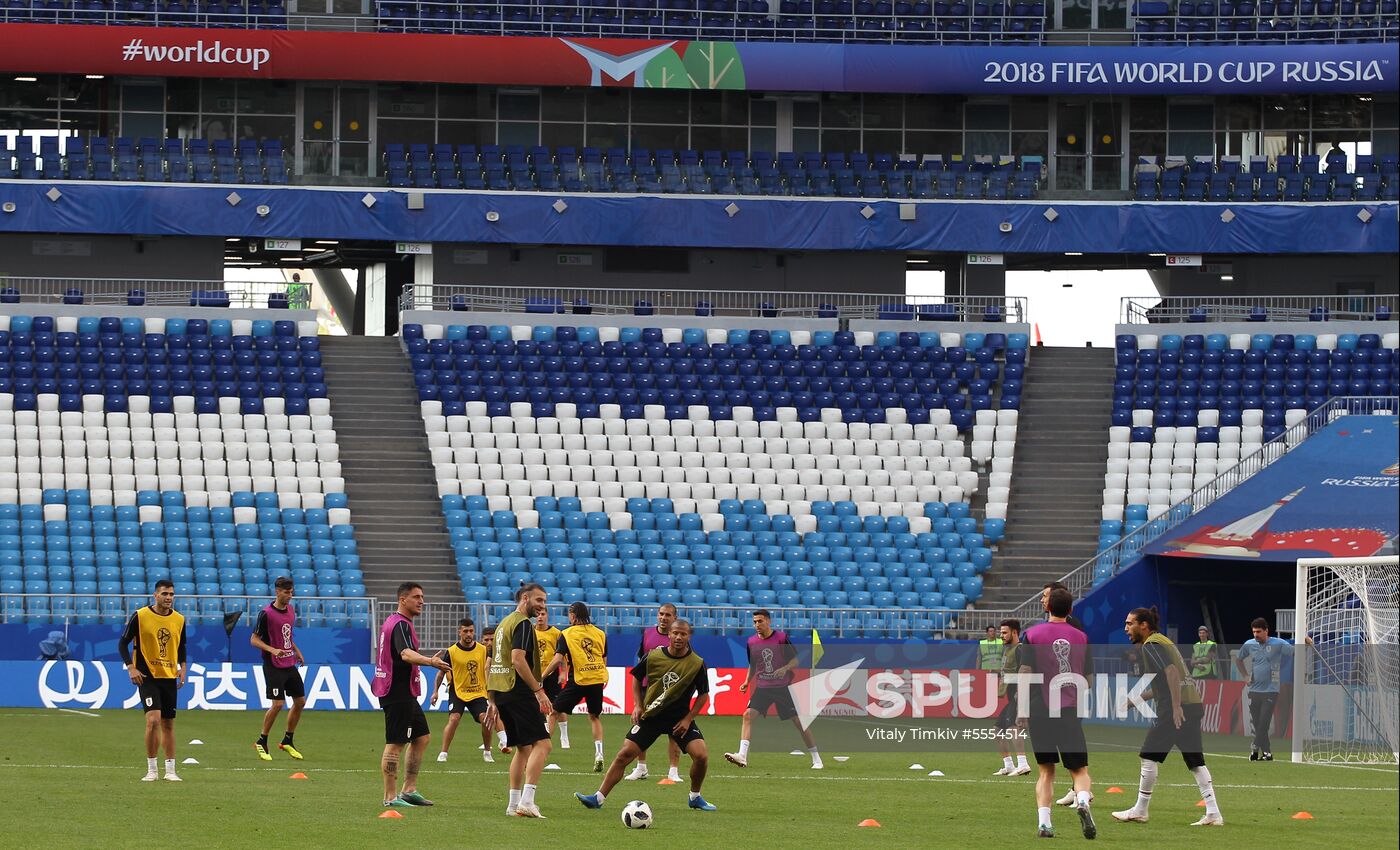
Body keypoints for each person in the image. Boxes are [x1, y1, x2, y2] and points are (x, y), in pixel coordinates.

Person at [574, 618, 717, 812]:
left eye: (683, 634)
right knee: (624, 754)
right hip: (652, 716)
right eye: (675, 633)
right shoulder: (653, 656)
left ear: (689, 636)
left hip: (679, 719)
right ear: (669, 634)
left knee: (701, 756)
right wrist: (637, 705)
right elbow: (636, 677)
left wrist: (688, 718)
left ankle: (695, 797)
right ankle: (598, 798)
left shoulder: (697, 663)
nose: (678, 637)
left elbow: (703, 695)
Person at [1112, 606, 1224, 827]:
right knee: (1195, 762)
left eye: (1129, 623)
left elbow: (1171, 672)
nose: (1126, 628)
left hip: (1177, 709)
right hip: (1192, 705)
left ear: (1144, 625)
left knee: (1148, 755)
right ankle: (1213, 813)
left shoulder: (1151, 644)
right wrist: (1136, 701)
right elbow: (1165, 681)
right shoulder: (1163, 641)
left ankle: (1140, 810)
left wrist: (1174, 707)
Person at [1020, 587, 1095, 839]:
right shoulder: (1082, 637)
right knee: (1080, 770)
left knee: (1046, 771)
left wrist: (1021, 708)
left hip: (1040, 708)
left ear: (1047, 607)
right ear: (1071, 610)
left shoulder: (1031, 634)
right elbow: (1090, 680)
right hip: (1069, 710)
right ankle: (1082, 801)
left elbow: (1025, 672)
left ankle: (1044, 824)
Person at [371, 582, 451, 808]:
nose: (421, 601)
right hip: (397, 690)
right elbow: (406, 654)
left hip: (403, 690)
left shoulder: (394, 622)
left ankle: (409, 790)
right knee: (395, 743)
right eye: (416, 597)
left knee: (421, 737)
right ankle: (390, 797)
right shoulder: (401, 625)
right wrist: (431, 662)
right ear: (402, 600)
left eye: (422, 596)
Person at [486, 583, 553, 818]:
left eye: (544, 602)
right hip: (518, 689)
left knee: (523, 749)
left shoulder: (504, 624)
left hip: (502, 691)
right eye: (539, 600)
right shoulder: (523, 624)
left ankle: (513, 805)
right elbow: (517, 659)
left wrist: (492, 699)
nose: (542, 606)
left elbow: (494, 662)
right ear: (525, 598)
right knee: (543, 744)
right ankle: (527, 801)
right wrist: (538, 691)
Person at [725, 609, 823, 770]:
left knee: (799, 723)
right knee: (747, 715)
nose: (757, 625)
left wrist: (785, 668)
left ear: (769, 621)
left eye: (760, 621)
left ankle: (816, 758)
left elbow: (796, 660)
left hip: (782, 688)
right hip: (763, 687)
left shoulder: (781, 638)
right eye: (755, 622)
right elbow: (753, 665)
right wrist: (746, 681)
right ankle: (742, 756)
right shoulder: (751, 642)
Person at [119, 580, 188, 782]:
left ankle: (171, 770)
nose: (169, 598)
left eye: (172, 594)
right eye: (165, 594)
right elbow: (122, 643)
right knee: (153, 720)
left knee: (168, 724)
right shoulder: (140, 616)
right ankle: (152, 769)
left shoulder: (179, 619)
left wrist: (183, 668)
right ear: (155, 595)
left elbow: (181, 646)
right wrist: (131, 667)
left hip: (169, 677)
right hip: (147, 675)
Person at [1040, 581, 1094, 810]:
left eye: (1045, 596)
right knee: (1071, 750)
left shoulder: (1072, 627)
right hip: (1057, 699)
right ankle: (1077, 791)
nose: (1042, 600)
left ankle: (1082, 792)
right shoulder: (1048, 626)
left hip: (1068, 699)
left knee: (1069, 753)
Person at [544, 601, 610, 773]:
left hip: (579, 679)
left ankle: (540, 752)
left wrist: (542, 676)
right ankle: (599, 754)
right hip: (596, 679)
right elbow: (604, 659)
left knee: (553, 713)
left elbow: (558, 659)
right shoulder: (600, 633)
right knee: (594, 717)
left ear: (573, 615)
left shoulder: (567, 634)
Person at [431, 618, 506, 763]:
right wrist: (435, 692)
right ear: (459, 632)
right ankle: (443, 752)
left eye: (471, 631)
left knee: (486, 719)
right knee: (454, 719)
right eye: (465, 631)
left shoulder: (483, 650)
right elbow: (441, 673)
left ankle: (487, 751)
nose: (468, 634)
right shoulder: (451, 652)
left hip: (477, 692)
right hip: (458, 691)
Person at [626, 603, 683, 783]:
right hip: (647, 689)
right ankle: (641, 767)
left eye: (668, 615)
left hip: (671, 691)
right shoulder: (648, 633)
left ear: (675, 618)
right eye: (661, 614)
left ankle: (673, 771)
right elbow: (641, 659)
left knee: (674, 731)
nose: (663, 618)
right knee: (641, 725)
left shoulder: (679, 638)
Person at [251, 576, 306, 761]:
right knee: (278, 704)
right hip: (273, 665)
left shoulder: (291, 611)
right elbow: (254, 639)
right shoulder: (266, 614)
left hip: (289, 662)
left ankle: (287, 741)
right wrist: (273, 650)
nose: (290, 596)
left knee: (300, 702)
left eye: (291, 592)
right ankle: (261, 740)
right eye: (286, 592)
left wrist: (297, 651)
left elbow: (288, 636)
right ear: (277, 591)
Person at [1235, 617, 1291, 761]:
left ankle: (1254, 747)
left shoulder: (1278, 643)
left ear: (1266, 631)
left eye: (1259, 632)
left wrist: (1305, 642)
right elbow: (1238, 659)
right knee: (1259, 722)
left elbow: (1293, 650)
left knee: (1264, 721)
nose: (1256, 635)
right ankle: (1267, 753)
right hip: (1254, 690)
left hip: (1271, 690)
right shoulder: (1249, 644)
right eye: (1254, 632)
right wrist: (1245, 676)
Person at [992, 619, 1030, 777]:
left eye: (1004, 632)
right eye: (1001, 632)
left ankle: (1023, 764)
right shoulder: (1007, 649)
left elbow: (1026, 672)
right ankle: (1008, 765)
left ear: (1015, 632)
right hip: (1011, 696)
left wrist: (1021, 694)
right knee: (997, 731)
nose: (1001, 635)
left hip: (1018, 694)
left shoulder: (1020, 649)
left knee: (1014, 728)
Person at [534, 608, 565, 744]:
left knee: (559, 704)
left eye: (542, 614)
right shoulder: (530, 632)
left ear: (547, 616)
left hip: (552, 674)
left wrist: (563, 672)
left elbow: (562, 655)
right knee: (534, 705)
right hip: (534, 674)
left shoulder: (556, 633)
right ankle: (539, 732)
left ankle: (564, 736)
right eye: (538, 615)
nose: (540, 617)